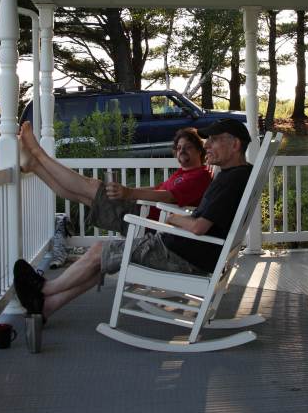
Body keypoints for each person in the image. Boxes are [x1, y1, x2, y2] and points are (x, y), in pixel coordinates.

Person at [14, 118, 253, 320]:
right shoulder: (234, 176)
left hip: (182, 254)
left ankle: (44, 289)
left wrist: (173, 219)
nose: (208, 144)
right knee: (104, 252)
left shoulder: (230, 180)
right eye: (207, 140)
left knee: (99, 250)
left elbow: (199, 226)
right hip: (183, 248)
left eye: (214, 139)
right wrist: (178, 220)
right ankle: (46, 306)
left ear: (234, 145)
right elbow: (201, 220)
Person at [17, 121, 212, 231]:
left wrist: (130, 193)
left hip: (144, 219)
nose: (181, 151)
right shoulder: (182, 173)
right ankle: (34, 165)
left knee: (91, 185)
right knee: (81, 195)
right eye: (178, 148)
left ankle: (37, 152)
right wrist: (128, 191)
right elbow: (157, 190)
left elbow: (168, 197)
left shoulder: (200, 176)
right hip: (141, 212)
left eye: (187, 147)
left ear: (199, 151)